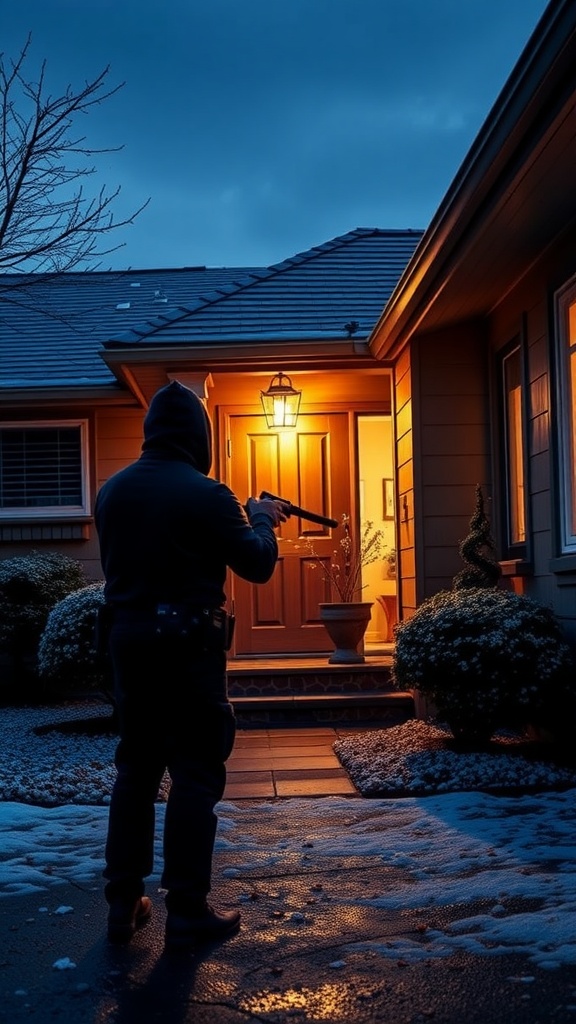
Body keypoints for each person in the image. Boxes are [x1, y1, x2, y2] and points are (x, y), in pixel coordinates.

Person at [94, 379, 285, 950]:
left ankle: (123, 903)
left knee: (136, 770)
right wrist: (261, 520)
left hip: (127, 645)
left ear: (153, 431)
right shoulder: (208, 494)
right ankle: (188, 909)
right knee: (196, 773)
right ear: (198, 435)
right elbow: (256, 566)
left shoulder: (112, 491)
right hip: (188, 650)